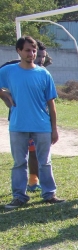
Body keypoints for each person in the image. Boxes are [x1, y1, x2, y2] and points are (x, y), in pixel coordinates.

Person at [0, 36, 64, 209]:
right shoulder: (9, 71)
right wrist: (4, 95)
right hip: (18, 124)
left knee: (45, 162)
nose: (32, 53)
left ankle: (49, 194)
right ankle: (19, 197)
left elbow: (51, 103)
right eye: (28, 50)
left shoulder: (44, 73)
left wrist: (54, 128)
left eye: (34, 50)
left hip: (41, 125)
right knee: (19, 163)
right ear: (19, 51)